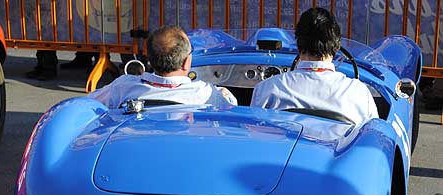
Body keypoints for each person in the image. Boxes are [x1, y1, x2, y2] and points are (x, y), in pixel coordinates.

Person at [250, 7, 378, 124]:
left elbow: (256, 136)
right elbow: (373, 139)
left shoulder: (267, 89)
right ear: (337, 47)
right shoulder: (358, 93)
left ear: (298, 44)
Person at [88, 25, 237, 108]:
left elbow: (87, 105)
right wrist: (224, 92)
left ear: (150, 58)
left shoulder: (122, 87)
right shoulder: (206, 93)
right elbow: (231, 112)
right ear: (186, 62)